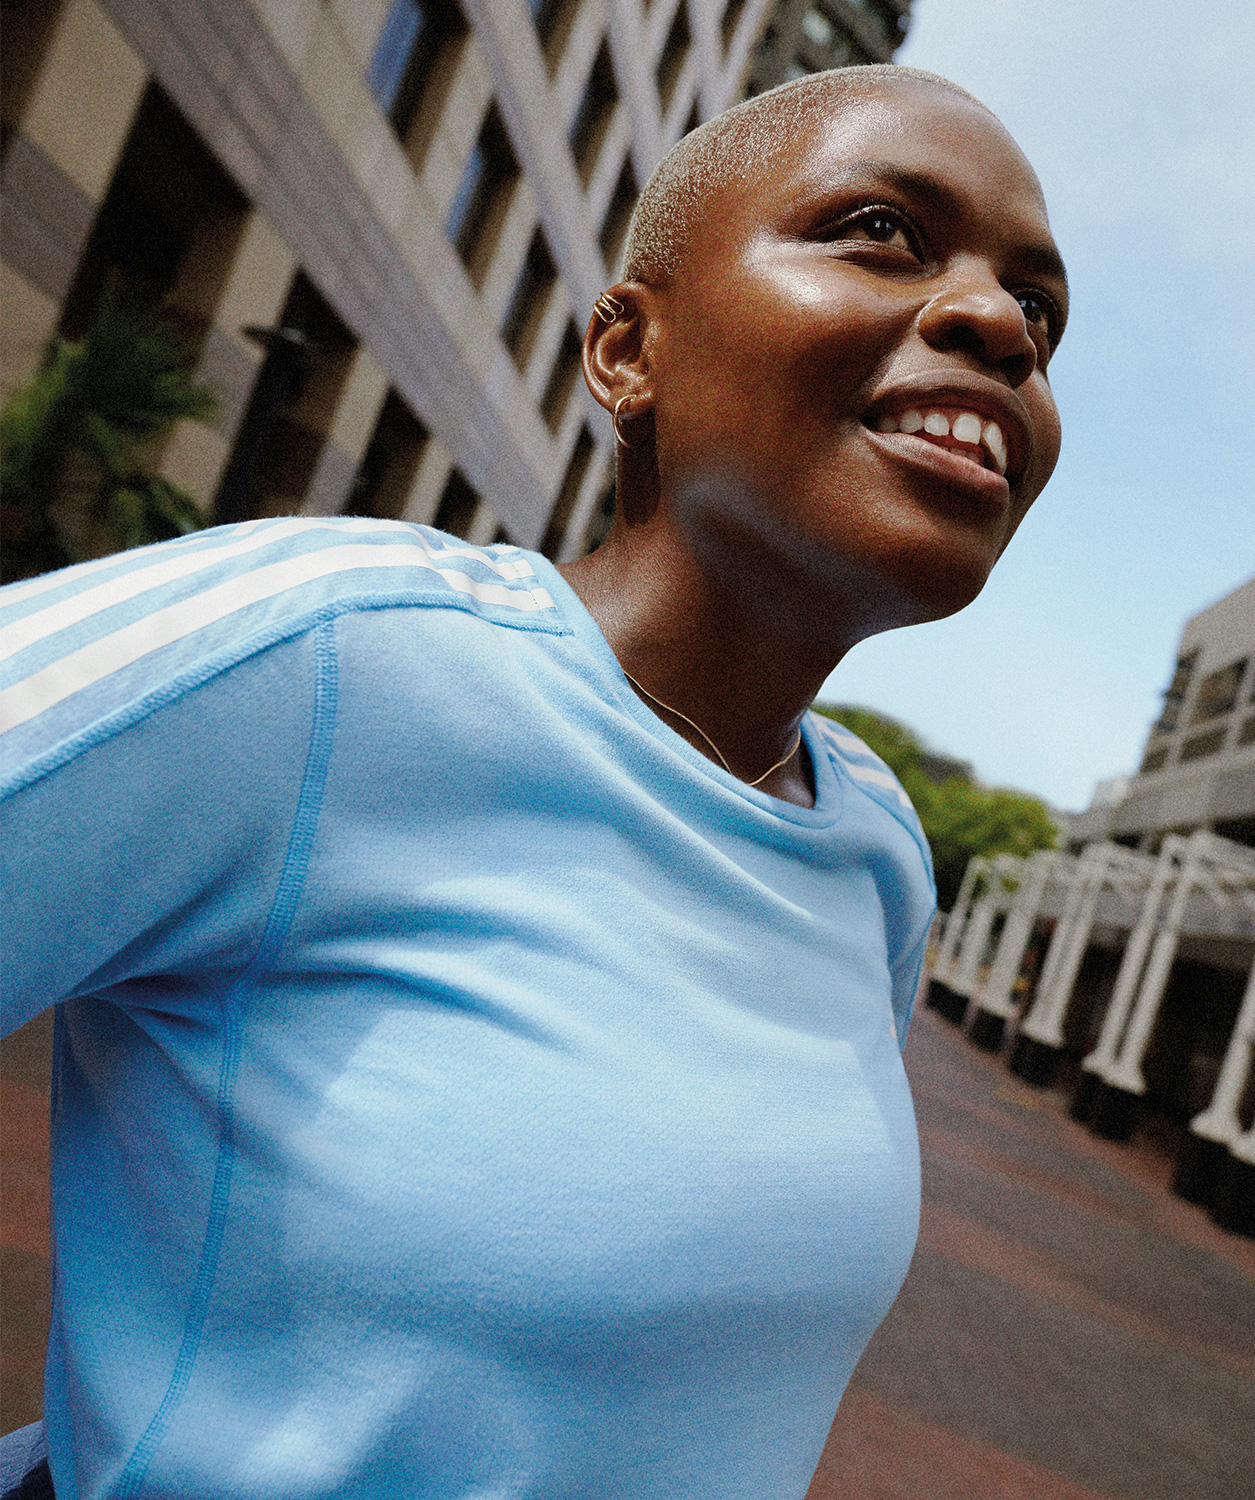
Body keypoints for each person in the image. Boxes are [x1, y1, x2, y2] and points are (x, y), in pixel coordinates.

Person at [0, 63, 1066, 1499]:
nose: (999, 324)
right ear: (628, 353)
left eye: (1039, 313)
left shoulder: (877, 846)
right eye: (881, 231)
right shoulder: (333, 651)